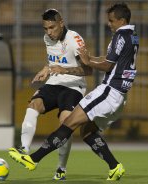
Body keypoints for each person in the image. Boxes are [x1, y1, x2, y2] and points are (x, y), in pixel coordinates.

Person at [9, 2, 139, 181]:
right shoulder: (132, 35)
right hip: (119, 95)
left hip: (109, 90)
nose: (109, 24)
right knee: (86, 132)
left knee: (68, 123)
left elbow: (108, 65)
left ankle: (33, 159)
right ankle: (114, 166)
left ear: (122, 20)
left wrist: (88, 61)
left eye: (111, 21)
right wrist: (89, 59)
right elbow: (110, 60)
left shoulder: (120, 36)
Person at [19, 9, 92, 180]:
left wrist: (63, 70)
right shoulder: (47, 39)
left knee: (65, 123)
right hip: (54, 82)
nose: (49, 32)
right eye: (45, 29)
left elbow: (88, 70)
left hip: (74, 87)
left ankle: (61, 168)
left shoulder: (75, 40)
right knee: (34, 105)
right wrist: (46, 69)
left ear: (61, 23)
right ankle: (24, 149)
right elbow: (55, 60)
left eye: (52, 28)